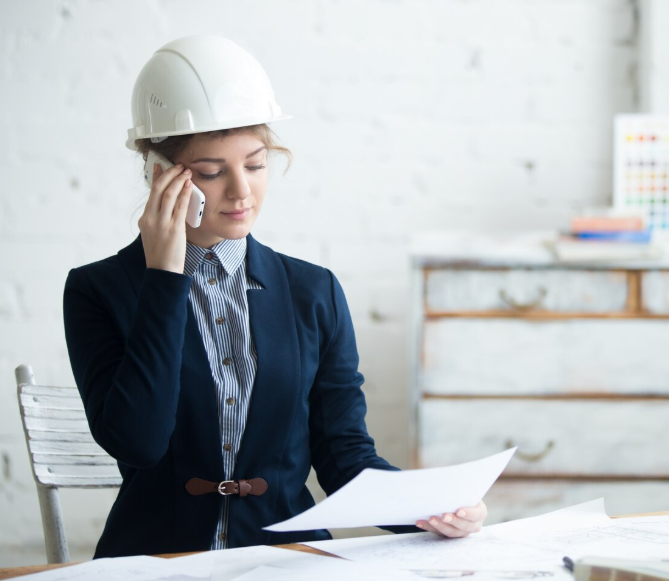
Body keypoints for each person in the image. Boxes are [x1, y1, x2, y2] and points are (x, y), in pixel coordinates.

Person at [63, 35, 486, 558]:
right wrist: (165, 277)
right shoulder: (97, 290)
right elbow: (139, 442)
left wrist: (432, 507)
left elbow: (343, 456)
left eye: (256, 164)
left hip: (288, 564)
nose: (241, 191)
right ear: (161, 178)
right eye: (213, 172)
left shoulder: (313, 291)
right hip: (155, 563)